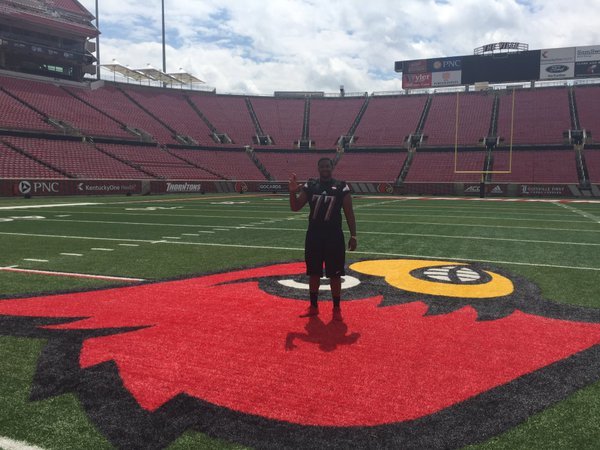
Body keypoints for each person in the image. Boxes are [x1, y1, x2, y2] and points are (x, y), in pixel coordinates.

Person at [289, 157, 357, 321]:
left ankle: (336, 308)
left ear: (332, 167)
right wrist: (292, 192)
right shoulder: (311, 185)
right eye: (322, 166)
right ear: (318, 168)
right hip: (314, 235)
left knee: (335, 274)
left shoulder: (341, 186)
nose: (325, 168)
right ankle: (313, 306)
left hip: (334, 235)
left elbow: (349, 212)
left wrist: (353, 235)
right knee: (313, 273)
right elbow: (295, 207)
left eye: (328, 166)